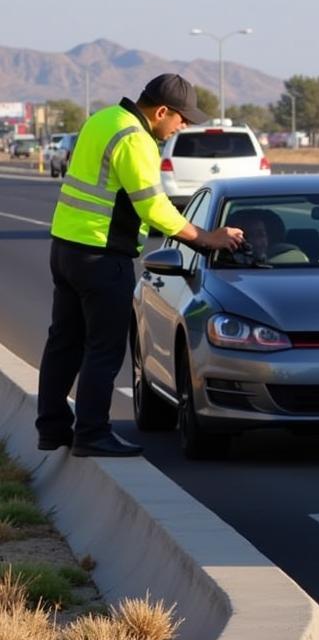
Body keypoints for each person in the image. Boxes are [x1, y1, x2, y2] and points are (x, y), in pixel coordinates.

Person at [36, 74, 244, 458]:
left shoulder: (103, 119)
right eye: (181, 119)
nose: (182, 127)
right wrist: (206, 237)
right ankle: (92, 434)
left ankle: (51, 429)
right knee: (104, 348)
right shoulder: (135, 138)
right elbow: (154, 208)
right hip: (101, 256)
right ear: (161, 111)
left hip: (66, 249)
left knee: (64, 343)